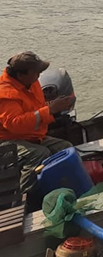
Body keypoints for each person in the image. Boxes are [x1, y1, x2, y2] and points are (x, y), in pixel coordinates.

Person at [0, 51, 75, 194]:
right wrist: (50, 110)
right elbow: (14, 125)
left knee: (65, 149)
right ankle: (27, 199)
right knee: (39, 154)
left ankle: (66, 188)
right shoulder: (5, 93)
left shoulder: (32, 82)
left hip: (31, 135)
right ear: (21, 75)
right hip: (6, 140)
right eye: (36, 72)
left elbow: (37, 110)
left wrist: (56, 109)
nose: (39, 75)